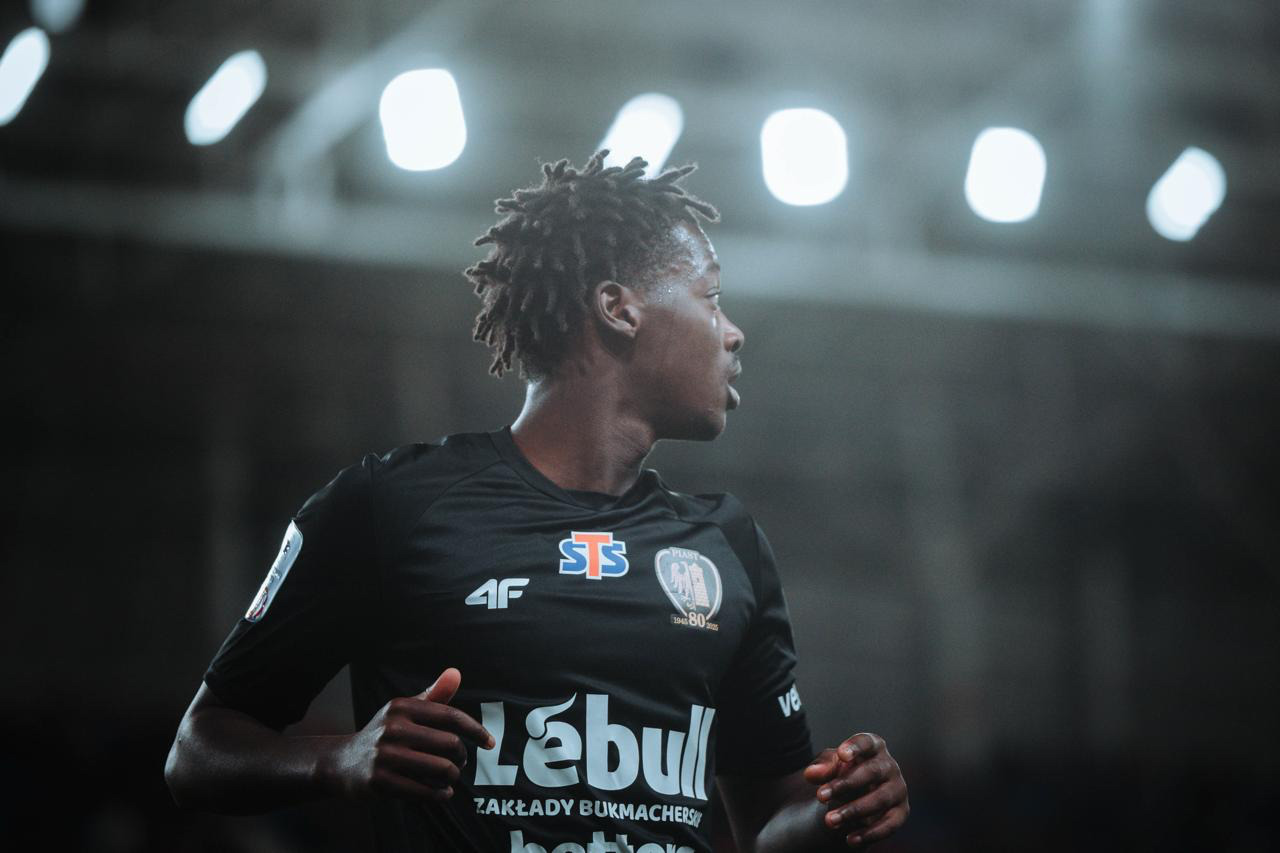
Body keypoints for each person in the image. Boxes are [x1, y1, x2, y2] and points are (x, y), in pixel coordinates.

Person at [165, 151, 909, 852]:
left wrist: (840, 808)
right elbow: (197, 752)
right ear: (619, 308)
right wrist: (338, 759)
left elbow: (767, 824)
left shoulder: (727, 545)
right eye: (711, 297)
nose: (734, 332)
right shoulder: (393, 505)